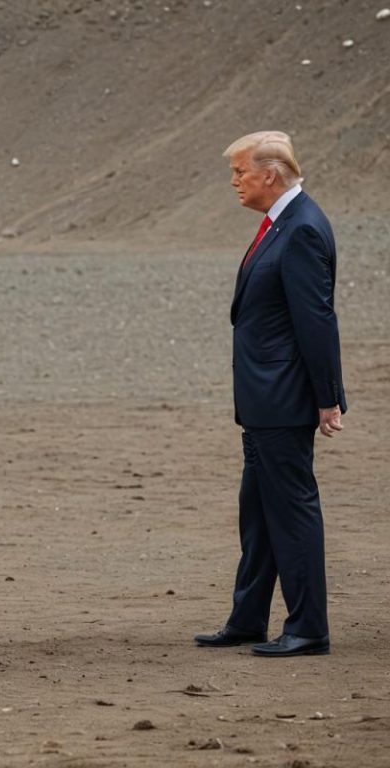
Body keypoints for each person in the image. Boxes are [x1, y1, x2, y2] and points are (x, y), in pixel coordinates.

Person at [194, 131, 346, 657]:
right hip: (264, 399)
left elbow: (316, 320)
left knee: (291, 511)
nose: (234, 181)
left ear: (270, 174)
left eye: (240, 172)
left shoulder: (301, 228)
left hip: (283, 399)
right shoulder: (282, 222)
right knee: (258, 512)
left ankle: (308, 627)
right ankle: (247, 618)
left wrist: (327, 397)